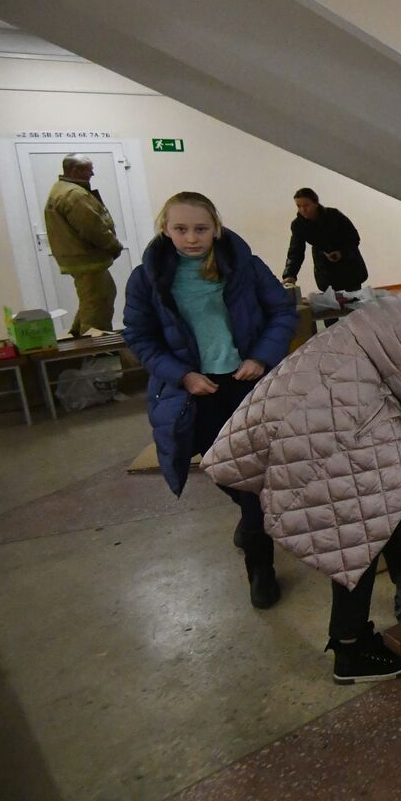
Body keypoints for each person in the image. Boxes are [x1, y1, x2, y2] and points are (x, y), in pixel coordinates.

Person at [202, 255, 401, 683]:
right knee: (358, 529)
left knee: (380, 512)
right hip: (341, 417)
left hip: (315, 398)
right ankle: (350, 648)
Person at [122, 192, 299, 609]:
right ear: (165, 228)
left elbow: (282, 312)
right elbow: (140, 336)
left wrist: (260, 356)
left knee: (254, 480)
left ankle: (260, 570)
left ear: (216, 227)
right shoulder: (146, 279)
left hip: (248, 384)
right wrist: (182, 374)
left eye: (200, 228)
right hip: (195, 391)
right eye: (180, 228)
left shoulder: (244, 265)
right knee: (222, 470)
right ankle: (250, 520)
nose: (191, 238)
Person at [44, 154, 124, 335]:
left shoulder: (60, 189)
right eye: (89, 169)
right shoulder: (74, 194)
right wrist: (114, 245)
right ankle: (96, 349)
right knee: (98, 303)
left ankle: (76, 339)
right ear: (75, 170)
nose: (92, 173)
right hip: (87, 259)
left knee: (91, 301)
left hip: (78, 259)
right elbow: (93, 228)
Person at [282, 188, 369, 293]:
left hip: (349, 266)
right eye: (299, 206)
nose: (303, 210)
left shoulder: (334, 215)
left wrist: (341, 253)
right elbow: (296, 250)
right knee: (333, 303)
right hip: (325, 269)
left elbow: (353, 238)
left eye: (306, 205)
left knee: (355, 300)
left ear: (316, 203)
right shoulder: (298, 225)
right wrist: (290, 274)